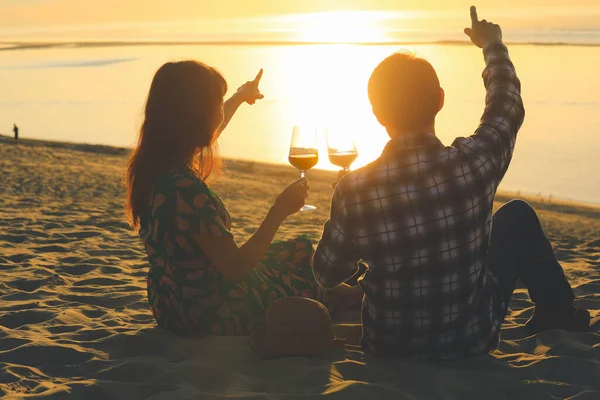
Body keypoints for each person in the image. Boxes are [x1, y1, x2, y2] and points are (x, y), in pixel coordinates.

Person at [312, 6, 590, 360]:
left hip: (389, 348)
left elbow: (327, 273)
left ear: (377, 114)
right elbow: (507, 105)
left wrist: (346, 213)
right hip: (470, 341)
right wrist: (493, 45)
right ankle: (559, 313)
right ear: (441, 101)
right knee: (516, 215)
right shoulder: (472, 164)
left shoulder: (355, 190)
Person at [125, 61, 360, 336]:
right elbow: (235, 268)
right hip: (209, 308)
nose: (220, 110)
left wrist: (238, 97)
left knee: (296, 252)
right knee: (304, 274)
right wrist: (278, 211)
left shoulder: (157, 169)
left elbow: (214, 129)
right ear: (195, 114)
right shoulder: (186, 191)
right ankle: (353, 296)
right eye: (217, 102)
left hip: (171, 301)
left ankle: (347, 292)